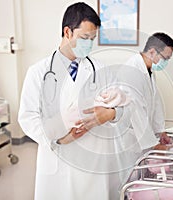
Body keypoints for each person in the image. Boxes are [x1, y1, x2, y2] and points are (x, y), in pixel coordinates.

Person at [18, 2, 131, 200]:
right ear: (67, 32)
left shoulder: (101, 70)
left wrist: (111, 114)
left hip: (94, 162)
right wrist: (58, 139)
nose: (88, 43)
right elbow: (27, 118)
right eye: (84, 38)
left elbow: (125, 107)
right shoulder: (38, 72)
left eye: (92, 39)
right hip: (58, 160)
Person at [125, 32, 173, 148]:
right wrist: (153, 145)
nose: (165, 63)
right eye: (165, 58)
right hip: (130, 137)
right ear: (152, 52)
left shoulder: (148, 71)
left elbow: (155, 102)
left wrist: (160, 131)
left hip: (141, 137)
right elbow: (136, 111)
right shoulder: (133, 71)